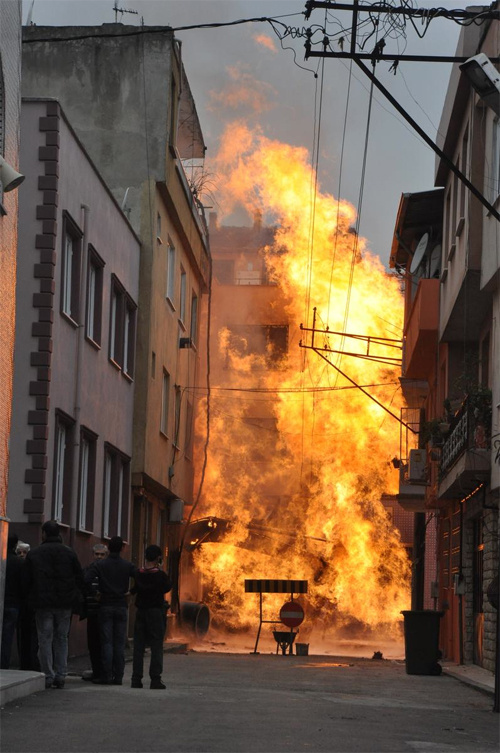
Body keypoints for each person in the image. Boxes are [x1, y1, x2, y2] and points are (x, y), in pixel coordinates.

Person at [23, 520, 85, 689]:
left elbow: (26, 580)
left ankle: (48, 675)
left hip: (42, 603)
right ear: (59, 534)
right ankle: (61, 674)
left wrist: (30, 599)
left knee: (44, 638)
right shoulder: (69, 553)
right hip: (65, 603)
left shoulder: (35, 554)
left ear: (44, 534)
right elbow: (79, 577)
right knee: (62, 638)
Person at [85, 535, 135, 685]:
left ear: (108, 548)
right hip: (121, 606)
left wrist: (95, 594)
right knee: (119, 643)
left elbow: (86, 579)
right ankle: (118, 676)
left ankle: (105, 676)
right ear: (123, 548)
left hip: (105, 605)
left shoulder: (100, 565)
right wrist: (132, 591)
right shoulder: (127, 565)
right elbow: (141, 577)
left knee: (107, 642)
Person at [131, 545, 172, 690]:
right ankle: (155, 680)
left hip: (141, 611)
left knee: (138, 646)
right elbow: (168, 587)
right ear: (158, 558)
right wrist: (162, 569)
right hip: (155, 613)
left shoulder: (138, 573)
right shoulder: (160, 575)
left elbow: (134, 590)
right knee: (156, 646)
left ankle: (136, 679)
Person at [82, 543, 109, 682]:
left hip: (105, 613)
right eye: (97, 554)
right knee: (93, 644)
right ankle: (96, 671)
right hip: (92, 612)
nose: (99, 557)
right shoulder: (88, 569)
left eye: (102, 554)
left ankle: (103, 672)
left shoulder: (109, 571)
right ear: (93, 555)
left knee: (104, 643)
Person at [1, 533, 24, 669]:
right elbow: (23, 584)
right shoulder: (19, 562)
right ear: (15, 545)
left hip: (4, 601)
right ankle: (3, 664)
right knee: (7, 637)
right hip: (13, 604)